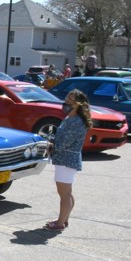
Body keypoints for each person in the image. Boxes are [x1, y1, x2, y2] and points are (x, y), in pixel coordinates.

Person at [44, 89, 92, 232]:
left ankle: (59, 223)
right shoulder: (69, 118)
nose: (66, 103)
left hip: (67, 159)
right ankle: (64, 220)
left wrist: (51, 146)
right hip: (65, 159)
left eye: (70, 101)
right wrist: (51, 141)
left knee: (64, 194)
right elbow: (60, 137)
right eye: (66, 100)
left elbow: (66, 141)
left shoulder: (76, 121)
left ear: (78, 104)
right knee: (67, 193)